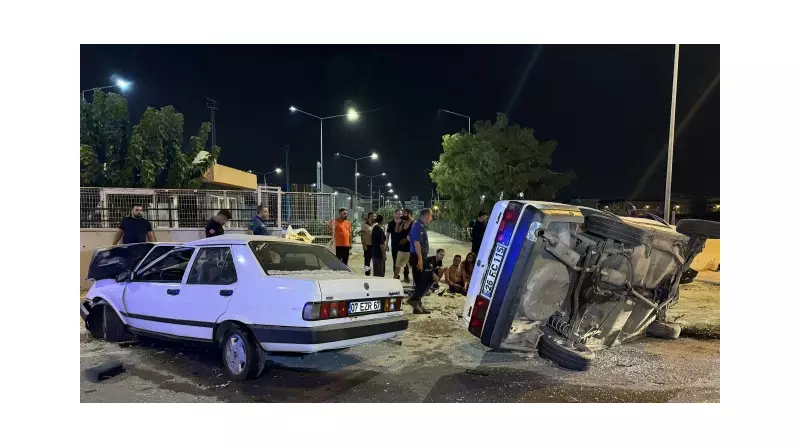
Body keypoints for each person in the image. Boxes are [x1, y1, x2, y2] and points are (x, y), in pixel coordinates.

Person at [407, 208, 433, 313]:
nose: (431, 218)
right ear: (426, 215)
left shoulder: (416, 224)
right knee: (429, 279)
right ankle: (413, 299)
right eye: (430, 216)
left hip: (416, 255)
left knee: (419, 281)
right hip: (418, 256)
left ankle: (417, 306)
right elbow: (417, 243)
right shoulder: (418, 225)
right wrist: (420, 259)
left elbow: (409, 237)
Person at [393, 208, 413, 282]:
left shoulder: (413, 223)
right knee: (398, 265)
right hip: (402, 248)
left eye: (404, 213)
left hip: (410, 249)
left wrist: (406, 239)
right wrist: (398, 223)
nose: (402, 215)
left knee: (412, 266)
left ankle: (415, 281)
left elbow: (414, 235)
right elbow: (397, 231)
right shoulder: (403, 223)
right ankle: (395, 279)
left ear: (409, 214)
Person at [361, 212, 376, 276]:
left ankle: (376, 273)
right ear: (370, 217)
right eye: (374, 216)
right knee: (367, 261)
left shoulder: (376, 225)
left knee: (375, 261)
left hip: (375, 246)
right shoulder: (365, 225)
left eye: (375, 216)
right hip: (368, 246)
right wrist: (364, 245)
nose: (375, 217)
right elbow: (362, 236)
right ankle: (367, 272)